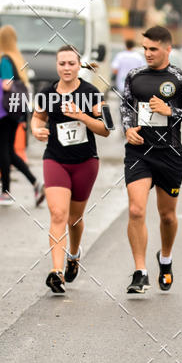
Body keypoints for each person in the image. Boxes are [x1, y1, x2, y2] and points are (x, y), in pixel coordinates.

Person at [121, 25, 182, 294]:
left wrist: (170, 110)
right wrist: (128, 128)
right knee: (136, 210)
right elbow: (126, 106)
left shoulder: (181, 78)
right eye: (144, 48)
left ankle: (165, 260)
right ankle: (139, 271)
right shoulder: (134, 76)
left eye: (153, 49)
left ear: (168, 49)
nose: (147, 53)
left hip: (169, 154)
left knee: (167, 216)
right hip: (139, 152)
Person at [30, 46, 109, 293]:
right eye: (62, 63)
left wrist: (82, 117)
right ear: (57, 66)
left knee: (74, 219)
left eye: (71, 64)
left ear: (78, 66)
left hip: (85, 161)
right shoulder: (47, 93)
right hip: (55, 159)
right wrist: (36, 130)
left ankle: (73, 255)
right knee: (57, 214)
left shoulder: (92, 93)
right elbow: (37, 118)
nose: (66, 68)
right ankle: (56, 272)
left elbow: (106, 129)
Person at [0, 24, 43, 206]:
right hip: (15, 112)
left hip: (3, 111)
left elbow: (6, 85)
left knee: (2, 151)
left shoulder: (4, 60)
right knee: (10, 151)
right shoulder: (18, 60)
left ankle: (5, 192)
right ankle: (35, 183)